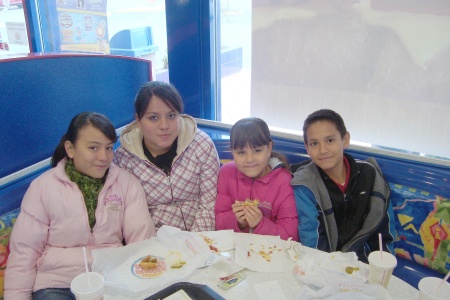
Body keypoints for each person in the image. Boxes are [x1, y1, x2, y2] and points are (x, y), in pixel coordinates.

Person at [4, 112, 156, 299]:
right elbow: (24, 252)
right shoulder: (43, 188)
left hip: (111, 277)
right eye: (93, 147)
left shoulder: (126, 184)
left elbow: (142, 243)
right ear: (70, 148)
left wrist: (149, 286)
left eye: (109, 148)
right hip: (57, 283)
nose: (104, 157)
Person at [113, 81, 220, 232]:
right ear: (138, 120)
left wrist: (194, 245)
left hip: (201, 237)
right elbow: (132, 217)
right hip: (153, 241)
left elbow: (209, 205)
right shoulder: (123, 160)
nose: (164, 126)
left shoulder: (201, 145)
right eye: (153, 118)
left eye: (171, 115)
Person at [291, 109, 395, 262]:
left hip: (364, 263)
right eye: (314, 143)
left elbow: (383, 230)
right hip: (325, 265)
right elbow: (311, 238)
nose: (323, 150)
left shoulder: (370, 175)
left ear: (345, 139)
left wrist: (382, 265)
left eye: (330, 140)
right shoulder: (306, 184)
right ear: (307, 148)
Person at [215, 117, 299, 241]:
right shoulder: (226, 173)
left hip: (270, 254)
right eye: (241, 153)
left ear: (269, 149)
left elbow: (290, 236)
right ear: (232, 152)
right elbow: (218, 222)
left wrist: (260, 223)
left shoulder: (284, 181)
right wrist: (238, 221)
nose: (250, 159)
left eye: (257, 150)